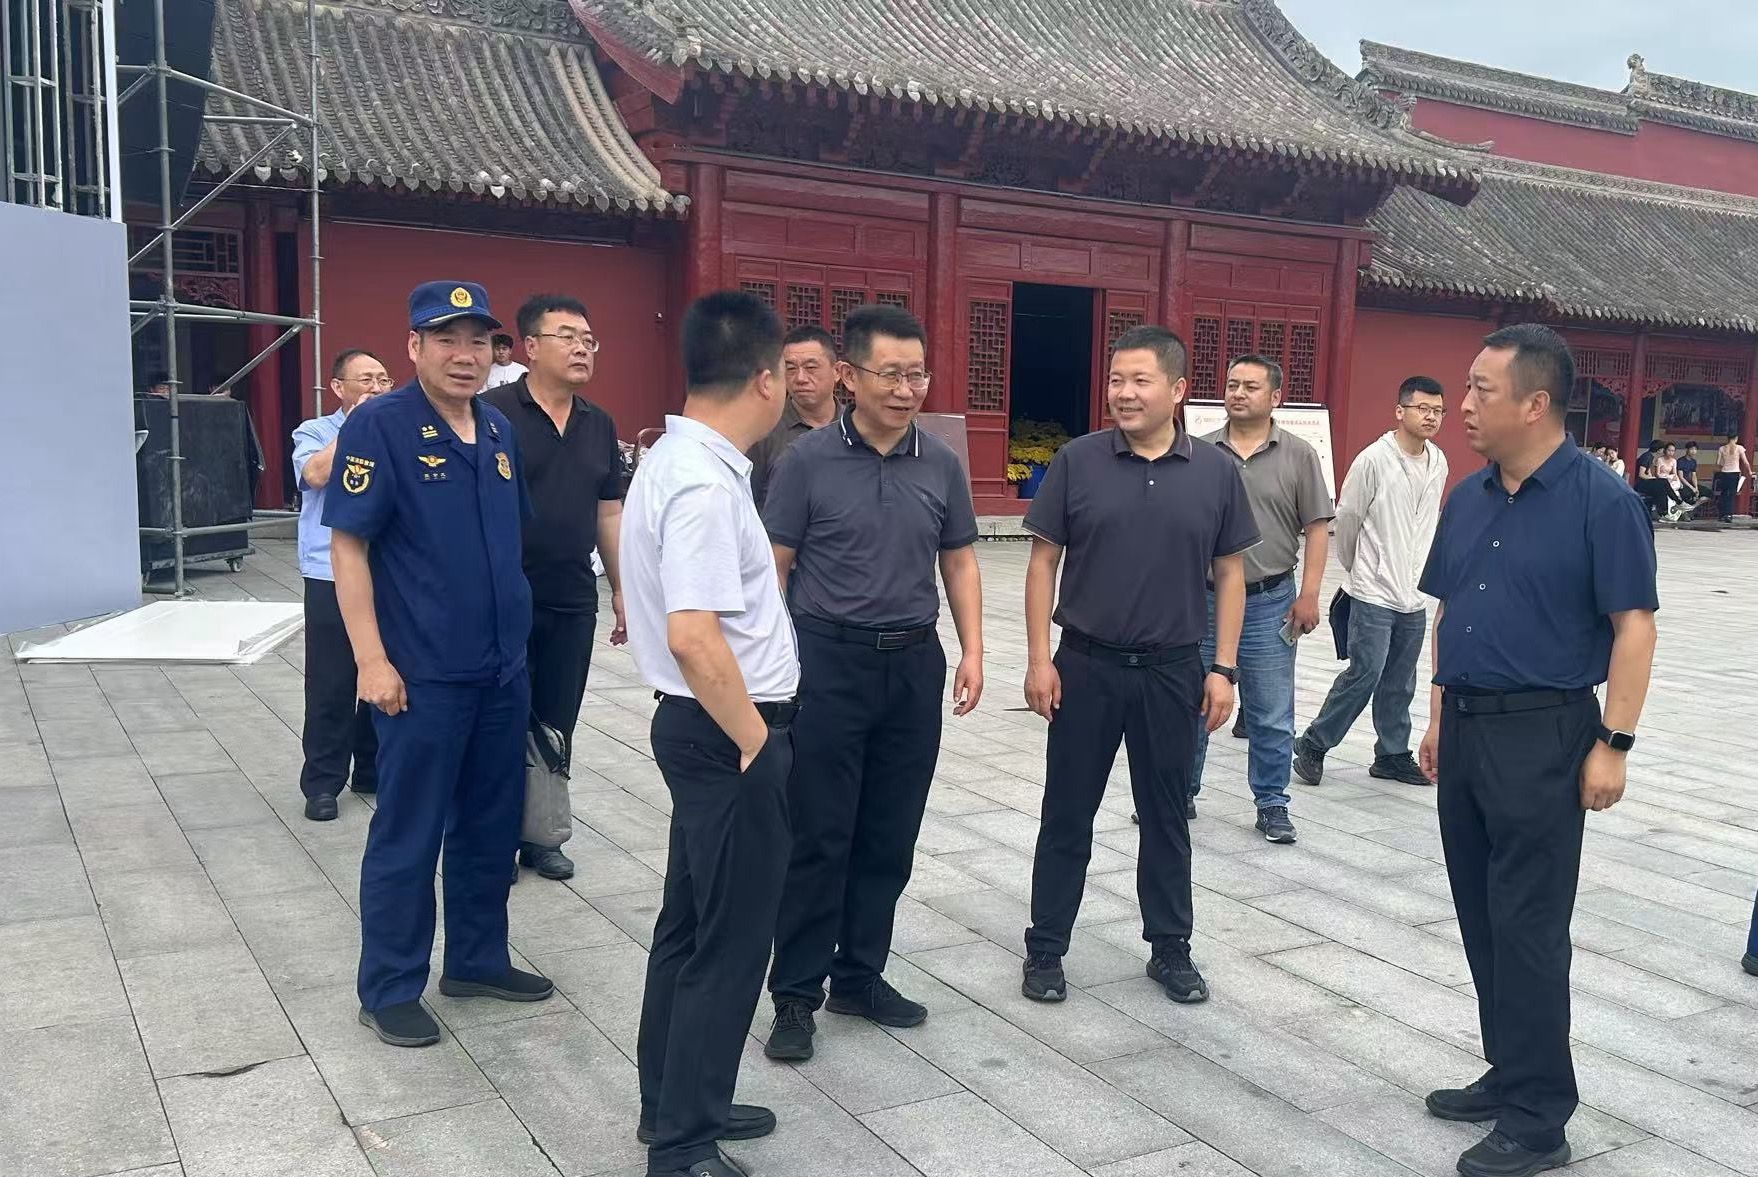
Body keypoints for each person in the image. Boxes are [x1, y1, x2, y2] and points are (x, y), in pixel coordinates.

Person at [1417, 324, 1657, 1177]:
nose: (1463, 404)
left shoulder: (1603, 502)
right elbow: (1450, 611)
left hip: (1546, 732)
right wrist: (1437, 714)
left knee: (1528, 925)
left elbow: (1634, 627)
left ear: (1535, 402)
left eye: (1480, 389)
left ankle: (1539, 1117)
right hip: (1469, 725)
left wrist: (1613, 743)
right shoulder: (1469, 496)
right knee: (1482, 913)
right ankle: (1511, 1066)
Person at [325, 280, 553, 1050]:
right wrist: (370, 659)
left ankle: (477, 959)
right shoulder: (380, 425)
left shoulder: (496, 429)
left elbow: (507, 544)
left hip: (500, 672)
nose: (465, 355)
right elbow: (348, 547)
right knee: (410, 829)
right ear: (414, 346)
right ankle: (389, 986)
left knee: (491, 824)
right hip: (421, 675)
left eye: (478, 341)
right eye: (446, 339)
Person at [761, 304, 984, 1063]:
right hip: (827, 662)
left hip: (913, 665)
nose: (905, 389)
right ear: (849, 377)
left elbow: (959, 559)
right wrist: (769, 667)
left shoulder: (939, 462)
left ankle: (860, 975)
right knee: (819, 835)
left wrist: (973, 650)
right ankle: (796, 993)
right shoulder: (808, 460)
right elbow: (775, 566)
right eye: (890, 374)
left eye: (916, 374)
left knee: (889, 834)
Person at [1021, 325, 1256, 1006]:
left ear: (1178, 390)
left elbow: (1230, 574)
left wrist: (1223, 668)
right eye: (1116, 379)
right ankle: (1046, 948)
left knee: (1166, 816)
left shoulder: (1215, 472)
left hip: (1172, 670)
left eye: (1140, 380)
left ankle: (1171, 947)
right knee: (1067, 813)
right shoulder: (1078, 459)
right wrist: (1038, 659)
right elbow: (1042, 562)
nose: (1123, 393)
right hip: (1085, 665)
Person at [623, 291, 797, 1177]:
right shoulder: (699, 483)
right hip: (727, 735)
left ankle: (676, 1103)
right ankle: (684, 1144)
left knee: (691, 924)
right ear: (765, 378)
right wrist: (758, 742)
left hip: (707, 730)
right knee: (729, 941)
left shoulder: (678, 460)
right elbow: (694, 636)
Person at [483, 294, 627, 882]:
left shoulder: (599, 423)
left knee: (555, 720)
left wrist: (621, 589)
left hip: (571, 596)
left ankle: (541, 837)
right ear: (531, 347)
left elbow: (609, 512)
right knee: (500, 719)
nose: (581, 348)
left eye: (589, 340)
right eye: (567, 336)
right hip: (500, 596)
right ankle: (491, 839)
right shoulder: (492, 414)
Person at [1191, 355, 1334, 844]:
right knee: (1191, 702)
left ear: (1275, 397)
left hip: (1270, 599)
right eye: (1232, 384)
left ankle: (1272, 803)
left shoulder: (1299, 455)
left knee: (1271, 712)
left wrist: (1309, 594)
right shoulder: (1200, 452)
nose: (1238, 393)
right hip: (1204, 601)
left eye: (1250, 386)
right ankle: (1179, 792)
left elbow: (1317, 528)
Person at [1293, 376, 1448, 790]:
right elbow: (1347, 519)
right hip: (1372, 591)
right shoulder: (1374, 460)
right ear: (1400, 411)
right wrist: (1360, 567)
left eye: (1438, 411)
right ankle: (1313, 743)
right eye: (1422, 409)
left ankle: (1391, 754)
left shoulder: (1438, 461)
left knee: (1401, 680)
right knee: (1366, 672)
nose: (1431, 417)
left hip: (1414, 593)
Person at [292, 348, 394, 821]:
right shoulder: (314, 431)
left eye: (383, 380)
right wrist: (357, 425)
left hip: (387, 570)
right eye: (366, 379)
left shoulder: (399, 431)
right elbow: (314, 475)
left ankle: (372, 769)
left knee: (388, 670)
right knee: (332, 681)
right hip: (329, 572)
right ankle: (322, 782)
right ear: (338, 387)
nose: (377, 388)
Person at [747, 324, 840, 507]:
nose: (800, 378)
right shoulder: (764, 429)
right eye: (790, 369)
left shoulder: (857, 426)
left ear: (836, 372)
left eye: (811, 367)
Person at [1716, 432, 1751, 522]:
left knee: (1723, 494)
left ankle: (1722, 515)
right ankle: (1728, 515)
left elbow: (1718, 463)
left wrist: (1724, 464)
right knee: (1731, 495)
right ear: (1736, 438)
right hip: (1734, 473)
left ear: (1727, 438)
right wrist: (1750, 471)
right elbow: (1746, 462)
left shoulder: (1722, 448)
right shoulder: (1739, 448)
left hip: (1724, 473)